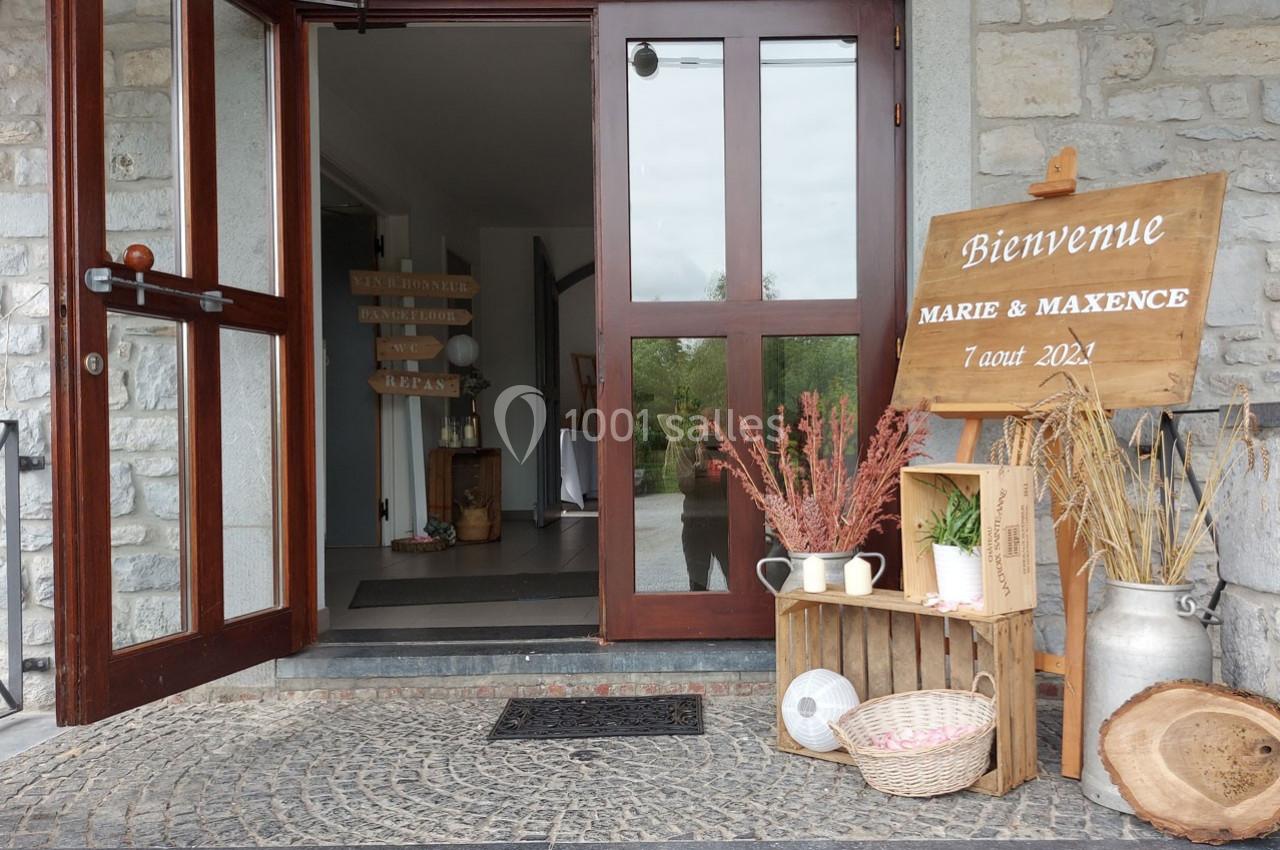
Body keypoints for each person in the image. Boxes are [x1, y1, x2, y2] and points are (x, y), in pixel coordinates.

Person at [672, 415, 730, 591]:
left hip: (724, 526)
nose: (710, 430)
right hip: (695, 526)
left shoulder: (729, 454)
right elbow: (686, 486)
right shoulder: (688, 454)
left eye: (714, 425)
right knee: (697, 584)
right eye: (706, 425)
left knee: (737, 579)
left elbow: (736, 488)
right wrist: (698, 465)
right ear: (698, 429)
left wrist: (725, 449)